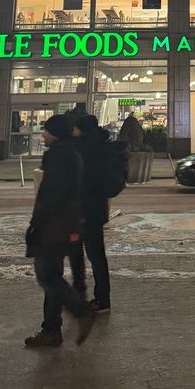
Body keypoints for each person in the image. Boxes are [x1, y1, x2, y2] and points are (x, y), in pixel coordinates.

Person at [24, 114, 91, 349]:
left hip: (54, 226)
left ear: (56, 133)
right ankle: (51, 330)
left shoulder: (60, 155)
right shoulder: (70, 153)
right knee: (51, 277)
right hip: (64, 225)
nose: (42, 135)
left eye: (46, 131)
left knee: (48, 276)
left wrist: (36, 225)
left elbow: (52, 196)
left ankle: (79, 312)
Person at [68, 114, 113, 313]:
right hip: (96, 210)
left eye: (76, 128)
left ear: (81, 129)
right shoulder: (103, 146)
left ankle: (81, 297)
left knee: (77, 256)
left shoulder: (81, 149)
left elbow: (78, 181)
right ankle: (102, 297)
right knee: (97, 256)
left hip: (81, 210)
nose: (73, 131)